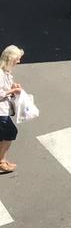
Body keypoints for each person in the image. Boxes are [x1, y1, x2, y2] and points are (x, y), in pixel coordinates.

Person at [0, 45, 23, 173]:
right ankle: (1, 161)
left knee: (4, 134)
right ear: (10, 58)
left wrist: (13, 87)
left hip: (3, 110)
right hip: (0, 112)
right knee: (10, 132)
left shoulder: (6, 72)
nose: (19, 62)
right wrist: (13, 90)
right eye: (17, 59)